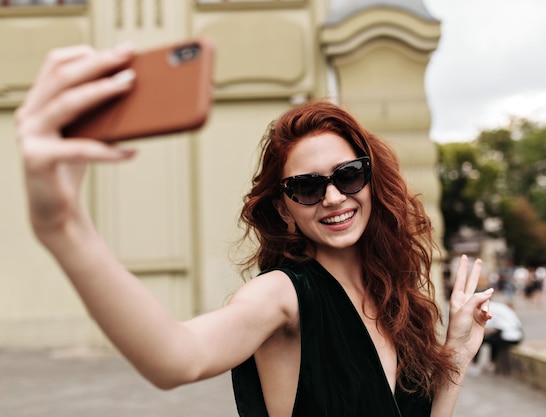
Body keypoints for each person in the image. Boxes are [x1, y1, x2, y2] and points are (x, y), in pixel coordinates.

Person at [16, 43, 494, 417]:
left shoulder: (391, 299)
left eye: (347, 175)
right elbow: (177, 356)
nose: (332, 197)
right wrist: (63, 226)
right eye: (306, 187)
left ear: (370, 181)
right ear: (284, 209)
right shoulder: (282, 297)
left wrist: (456, 352)